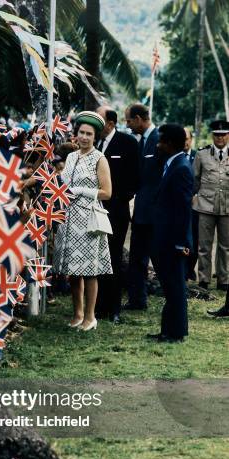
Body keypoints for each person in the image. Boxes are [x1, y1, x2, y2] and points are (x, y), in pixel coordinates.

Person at [53, 111, 112, 331]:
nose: (84, 137)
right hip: (68, 218)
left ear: (95, 136)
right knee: (73, 270)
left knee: (89, 270)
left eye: (89, 134)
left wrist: (82, 191)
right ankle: (77, 313)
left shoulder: (100, 158)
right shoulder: (70, 157)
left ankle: (90, 316)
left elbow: (107, 192)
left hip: (88, 218)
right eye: (81, 133)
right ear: (75, 134)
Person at [148, 124, 194, 343]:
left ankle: (176, 333)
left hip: (173, 241)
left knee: (175, 287)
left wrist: (181, 242)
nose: (158, 145)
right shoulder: (171, 164)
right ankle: (168, 330)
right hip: (164, 237)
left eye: (162, 141)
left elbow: (184, 210)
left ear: (171, 144)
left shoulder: (182, 168)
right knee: (169, 286)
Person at [95, 106, 140, 323]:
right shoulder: (93, 142)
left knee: (113, 257)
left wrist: (117, 198)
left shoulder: (127, 143)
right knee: (96, 257)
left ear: (111, 124)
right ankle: (98, 305)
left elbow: (135, 177)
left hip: (116, 211)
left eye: (99, 119)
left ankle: (114, 308)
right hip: (94, 210)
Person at [123, 103, 163, 310]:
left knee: (158, 259)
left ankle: (172, 297)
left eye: (129, 120)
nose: (127, 125)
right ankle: (138, 300)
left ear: (139, 119)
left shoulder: (158, 140)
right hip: (141, 211)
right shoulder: (141, 142)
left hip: (155, 213)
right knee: (137, 258)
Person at [193, 120, 229, 291]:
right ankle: (204, 279)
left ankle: (223, 280)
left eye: (223, 134)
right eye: (217, 134)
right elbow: (195, 179)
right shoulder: (202, 154)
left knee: (225, 246)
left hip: (227, 206)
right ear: (212, 136)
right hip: (206, 205)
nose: (220, 137)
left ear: (228, 135)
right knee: (204, 245)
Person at [184, 128, 198, 281]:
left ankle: (190, 269)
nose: (185, 142)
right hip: (180, 206)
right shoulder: (174, 157)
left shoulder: (197, 155)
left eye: (187, 138)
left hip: (195, 205)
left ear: (191, 139)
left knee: (194, 238)